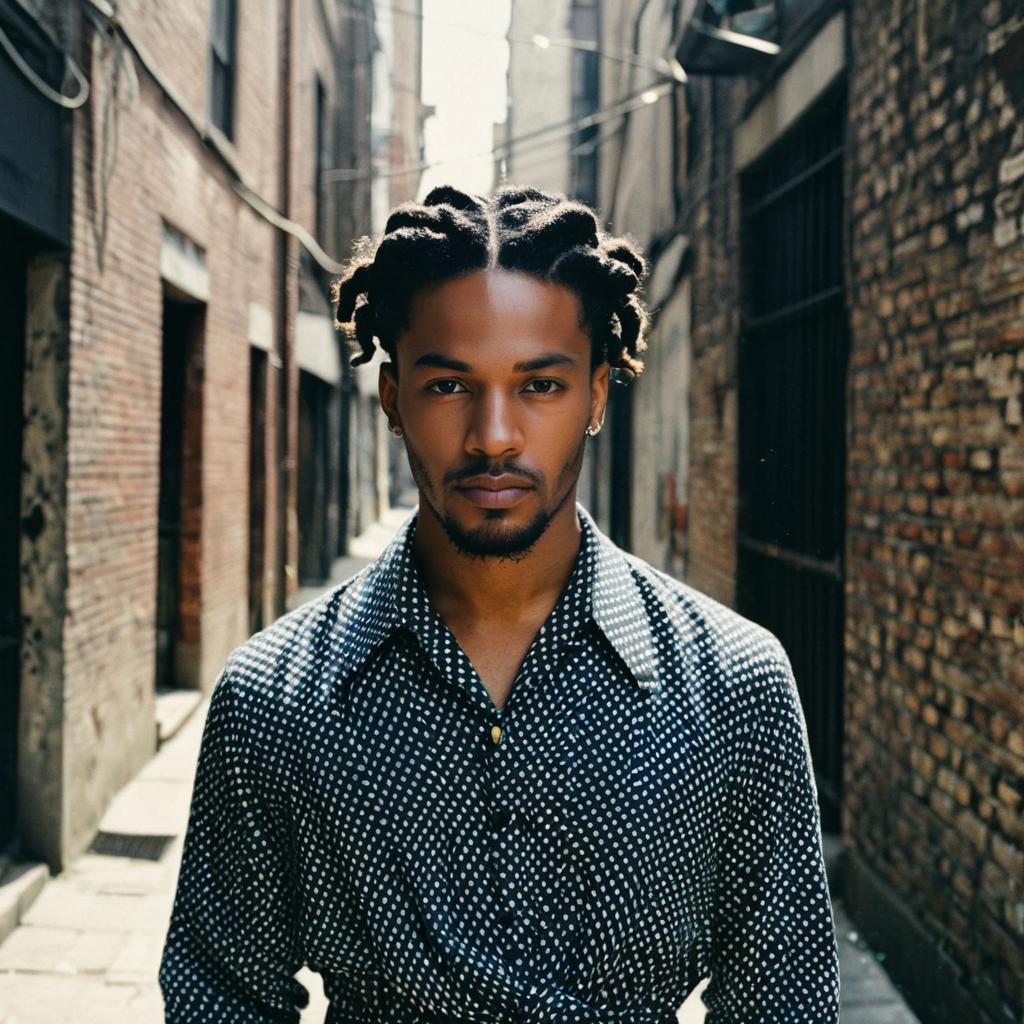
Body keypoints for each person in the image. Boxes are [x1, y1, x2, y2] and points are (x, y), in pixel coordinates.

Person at [158, 184, 840, 1023]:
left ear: (595, 396)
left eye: (540, 387)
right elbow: (220, 994)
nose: (493, 435)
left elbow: (786, 1000)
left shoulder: (737, 686)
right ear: (393, 400)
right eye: (449, 386)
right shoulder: (271, 699)